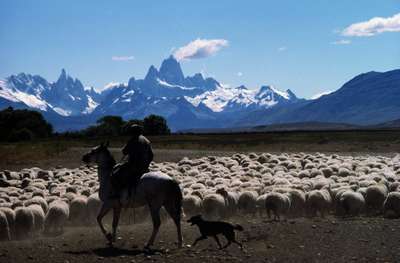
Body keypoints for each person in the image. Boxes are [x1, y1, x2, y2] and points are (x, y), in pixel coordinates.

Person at [111, 124, 153, 198]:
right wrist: (146, 164)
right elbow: (151, 155)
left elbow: (124, 152)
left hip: (134, 166)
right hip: (145, 167)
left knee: (116, 174)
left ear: (133, 132)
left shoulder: (133, 140)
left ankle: (117, 195)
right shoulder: (147, 140)